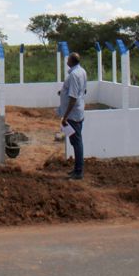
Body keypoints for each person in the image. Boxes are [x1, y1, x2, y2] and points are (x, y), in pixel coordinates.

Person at [58, 51, 87, 180]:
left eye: (68, 59)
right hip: (78, 112)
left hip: (73, 114)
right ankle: (77, 169)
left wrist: (65, 116)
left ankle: (78, 172)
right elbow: (83, 90)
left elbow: (73, 97)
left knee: (77, 142)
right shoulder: (82, 71)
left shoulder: (74, 75)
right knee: (76, 141)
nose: (66, 61)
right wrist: (63, 92)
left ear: (71, 61)